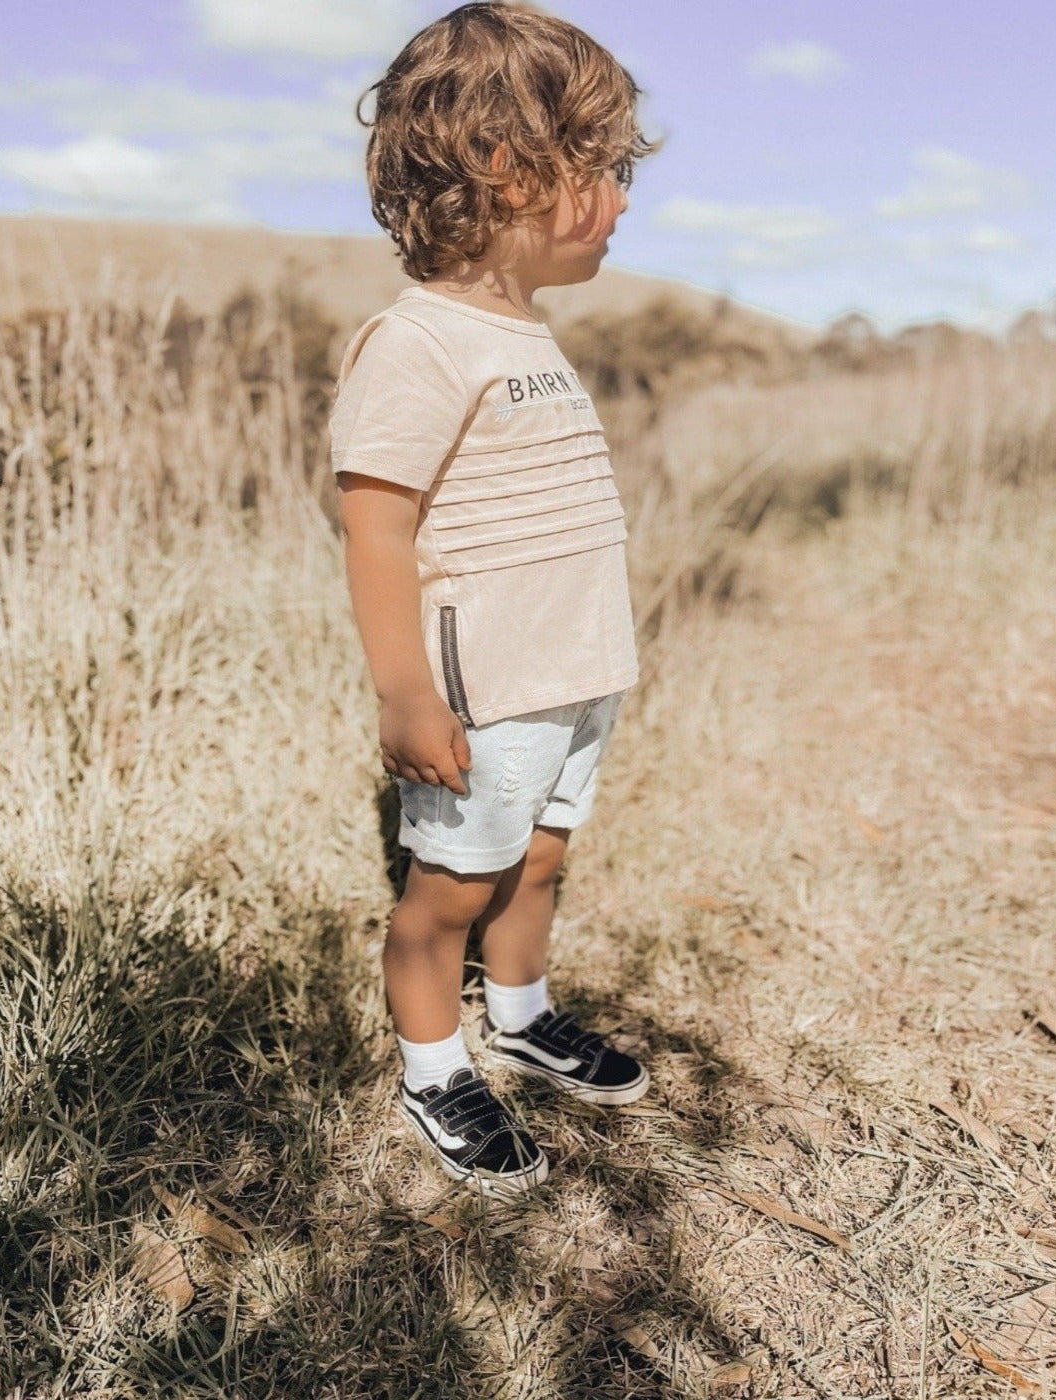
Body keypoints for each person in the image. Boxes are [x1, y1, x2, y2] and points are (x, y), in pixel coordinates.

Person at [329, 1, 662, 1195]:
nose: (624, 198)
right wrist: (406, 689)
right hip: (497, 678)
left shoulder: (525, 330)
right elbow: (377, 522)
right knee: (450, 889)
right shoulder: (419, 343)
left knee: (542, 856)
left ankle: (520, 1010)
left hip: (579, 667)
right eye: (606, 168)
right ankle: (435, 1067)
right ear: (508, 171)